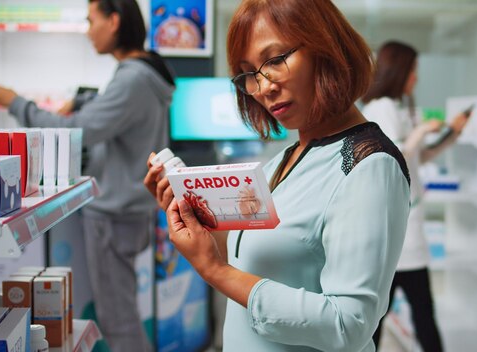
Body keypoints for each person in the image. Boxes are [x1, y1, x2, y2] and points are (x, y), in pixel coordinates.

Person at [144, 1, 410, 351]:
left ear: (326, 47)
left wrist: (214, 271)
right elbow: (245, 259)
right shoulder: (284, 159)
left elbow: (349, 324)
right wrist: (194, 224)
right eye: (249, 73)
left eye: (274, 60)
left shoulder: (370, 165)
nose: (262, 87)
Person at [0, 1, 175, 351]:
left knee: (118, 321)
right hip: (129, 212)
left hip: (113, 215)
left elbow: (72, 130)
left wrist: (14, 102)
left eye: (92, 20)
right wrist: (84, 102)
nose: (88, 30)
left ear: (114, 21)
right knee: (121, 312)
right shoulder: (146, 74)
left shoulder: (133, 78)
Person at [361, 41, 470, 352]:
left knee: (409, 312)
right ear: (400, 71)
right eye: (413, 71)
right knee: (387, 316)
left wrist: (451, 135)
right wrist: (422, 131)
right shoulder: (380, 108)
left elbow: (417, 157)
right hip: (396, 231)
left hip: (409, 227)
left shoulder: (397, 108)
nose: (416, 78)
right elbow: (394, 154)